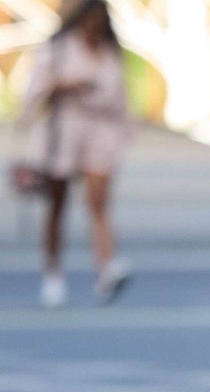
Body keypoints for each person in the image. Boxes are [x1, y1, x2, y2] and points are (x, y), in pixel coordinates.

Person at [22, 0, 132, 309]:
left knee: (98, 202)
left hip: (100, 134)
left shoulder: (109, 52)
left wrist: (124, 137)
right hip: (64, 134)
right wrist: (65, 87)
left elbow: (120, 98)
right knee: (57, 205)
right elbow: (33, 95)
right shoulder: (58, 48)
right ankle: (53, 273)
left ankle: (106, 266)